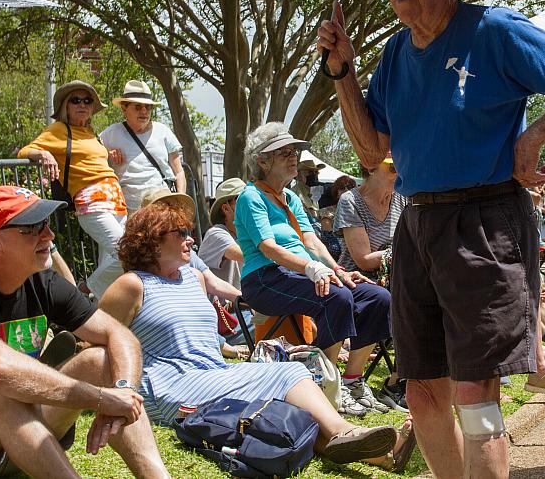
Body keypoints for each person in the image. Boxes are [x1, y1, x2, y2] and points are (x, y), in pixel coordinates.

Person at [317, 0, 545, 478]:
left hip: (487, 221)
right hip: (417, 224)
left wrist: (531, 141)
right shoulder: (395, 55)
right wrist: (342, 72)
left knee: (476, 394)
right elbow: (366, 150)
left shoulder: (495, 30)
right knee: (423, 392)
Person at [96, 201, 417, 469]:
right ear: (151, 240)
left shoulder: (193, 277)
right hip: (169, 386)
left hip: (213, 374)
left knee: (287, 394)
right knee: (287, 373)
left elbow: (197, 332)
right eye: (180, 233)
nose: (190, 239)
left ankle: (382, 455)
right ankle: (344, 431)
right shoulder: (132, 285)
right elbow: (98, 340)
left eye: (189, 232)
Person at [0, 186, 170, 478]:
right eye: (33, 227)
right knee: (2, 388)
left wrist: (123, 393)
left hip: (21, 432)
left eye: (46, 224)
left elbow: (119, 334)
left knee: (100, 360)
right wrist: (99, 398)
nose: (49, 235)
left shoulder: (42, 281)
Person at [234, 124, 393, 418]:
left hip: (300, 274)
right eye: (283, 152)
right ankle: (325, 385)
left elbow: (311, 241)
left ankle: (351, 380)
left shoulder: (292, 199)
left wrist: (338, 271)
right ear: (262, 161)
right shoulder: (250, 196)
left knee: (377, 296)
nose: (293, 156)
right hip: (264, 278)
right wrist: (311, 268)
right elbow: (268, 248)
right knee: (336, 298)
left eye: (293, 151)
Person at [18, 80, 128, 299]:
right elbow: (25, 151)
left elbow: (89, 158)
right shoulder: (59, 129)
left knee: (112, 266)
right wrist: (44, 154)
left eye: (87, 101)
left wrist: (109, 153)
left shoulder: (90, 133)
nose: (82, 105)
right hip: (92, 203)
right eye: (75, 100)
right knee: (127, 253)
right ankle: (81, 291)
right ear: (65, 106)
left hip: (117, 203)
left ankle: (96, 321)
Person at [100, 80, 186, 213]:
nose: (144, 111)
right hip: (127, 210)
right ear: (124, 108)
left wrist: (180, 203)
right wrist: (107, 154)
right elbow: (91, 154)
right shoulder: (111, 134)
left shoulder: (163, 131)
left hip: (162, 206)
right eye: (138, 107)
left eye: (148, 106)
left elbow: (179, 172)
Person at [334, 154, 408, 282]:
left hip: (398, 276)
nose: (400, 173)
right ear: (370, 167)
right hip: (361, 280)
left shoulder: (402, 197)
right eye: (393, 167)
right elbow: (365, 261)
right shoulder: (350, 201)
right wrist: (407, 251)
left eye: (403, 167)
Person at [197, 178, 247, 290]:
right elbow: (248, 256)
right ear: (226, 208)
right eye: (242, 199)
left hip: (243, 303)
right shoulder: (215, 234)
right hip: (223, 306)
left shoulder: (246, 235)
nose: (249, 204)